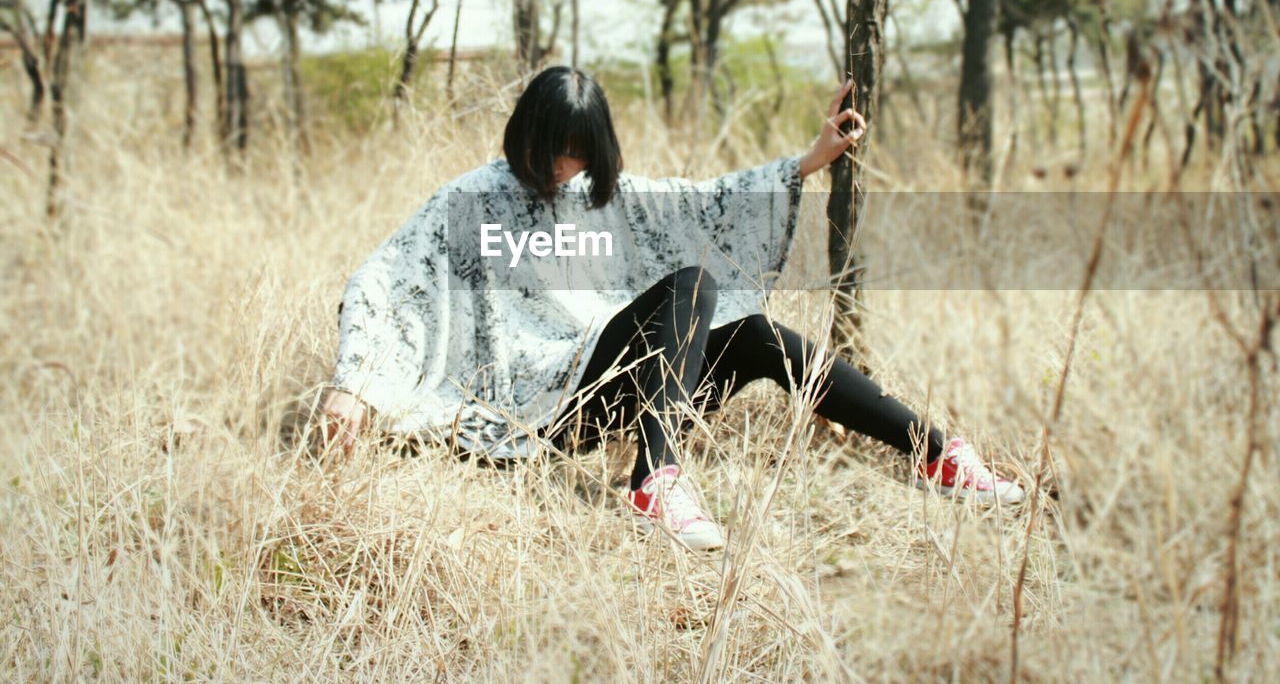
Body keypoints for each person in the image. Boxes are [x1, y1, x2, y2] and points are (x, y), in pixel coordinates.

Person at [318, 66, 1024, 550]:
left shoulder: (601, 191)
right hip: (543, 402)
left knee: (751, 332)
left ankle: (939, 454)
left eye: (580, 151)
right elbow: (385, 279)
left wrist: (808, 163)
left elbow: (704, 201)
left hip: (619, 380)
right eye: (555, 149)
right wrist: (353, 384)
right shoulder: (471, 199)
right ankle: (655, 478)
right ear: (524, 133)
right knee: (692, 288)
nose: (566, 166)